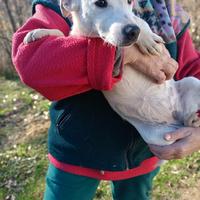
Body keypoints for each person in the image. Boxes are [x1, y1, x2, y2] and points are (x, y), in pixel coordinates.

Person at [12, 0, 200, 199]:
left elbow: (192, 66)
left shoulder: (166, 8)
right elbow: (33, 64)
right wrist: (127, 54)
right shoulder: (57, 6)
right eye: (101, 2)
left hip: (145, 148)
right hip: (77, 154)